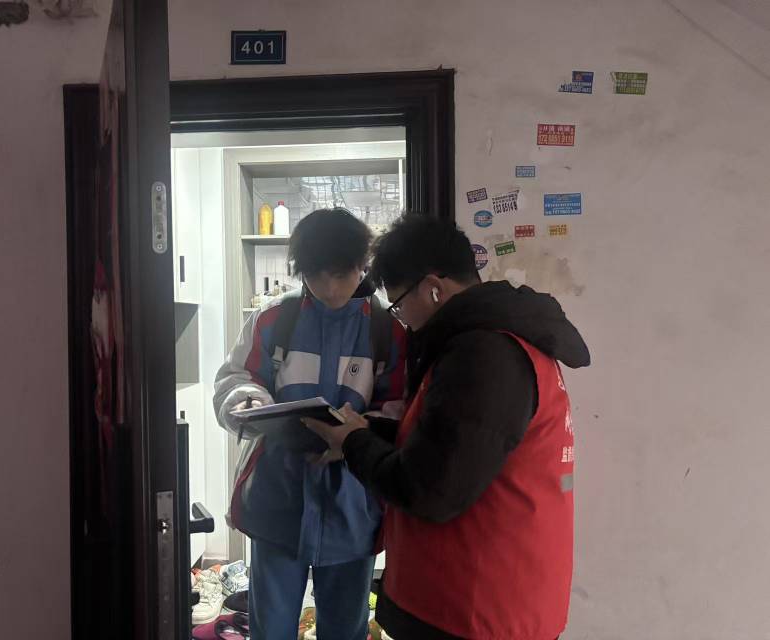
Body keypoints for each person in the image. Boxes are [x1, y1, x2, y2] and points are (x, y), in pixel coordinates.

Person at [304, 213, 591, 640]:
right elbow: (452, 446)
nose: (402, 320)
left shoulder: (485, 355)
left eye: (399, 305)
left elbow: (430, 489)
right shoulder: (488, 342)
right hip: (482, 599)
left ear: (433, 288)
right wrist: (371, 432)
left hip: (476, 609)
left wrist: (354, 443)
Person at [213, 208, 407, 640]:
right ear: (301, 271)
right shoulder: (273, 319)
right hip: (277, 498)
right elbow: (235, 378)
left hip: (353, 502)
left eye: (341, 274)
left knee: (345, 628)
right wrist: (248, 401)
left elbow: (400, 406)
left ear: (362, 266)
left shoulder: (386, 330)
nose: (330, 288)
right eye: (317, 275)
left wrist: (357, 434)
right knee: (271, 628)